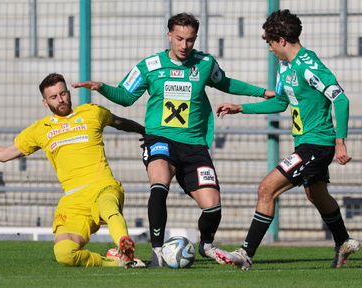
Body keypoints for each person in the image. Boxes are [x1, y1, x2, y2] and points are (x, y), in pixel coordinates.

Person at [72, 12, 275, 267]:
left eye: (190, 40)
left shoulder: (204, 63)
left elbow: (225, 83)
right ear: (169, 35)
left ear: (195, 38)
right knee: (159, 186)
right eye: (179, 38)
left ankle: (207, 245)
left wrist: (262, 92)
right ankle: (157, 252)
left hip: (194, 144)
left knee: (212, 206)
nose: (184, 45)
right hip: (160, 138)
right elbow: (125, 96)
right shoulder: (150, 65)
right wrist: (102, 87)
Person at [0, 73, 147, 268]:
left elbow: (120, 122)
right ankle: (117, 261)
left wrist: (146, 132)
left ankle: (123, 244)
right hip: (73, 200)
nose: (60, 99)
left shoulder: (92, 112)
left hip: (103, 187)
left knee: (109, 207)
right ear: (45, 102)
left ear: (69, 93)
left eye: (63, 93)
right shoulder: (39, 130)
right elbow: (3, 155)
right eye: (54, 97)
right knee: (64, 254)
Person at [215, 9, 360, 270]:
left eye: (270, 42)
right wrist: (241, 107)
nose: (270, 48)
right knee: (316, 193)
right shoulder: (286, 67)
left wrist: (341, 141)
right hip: (307, 144)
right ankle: (343, 242)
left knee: (266, 189)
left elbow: (341, 98)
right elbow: (281, 102)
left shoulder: (308, 65)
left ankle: (246, 253)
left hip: (317, 144)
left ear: (282, 40)